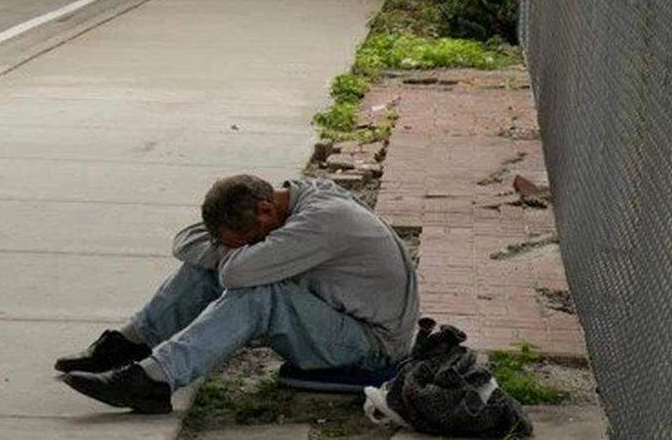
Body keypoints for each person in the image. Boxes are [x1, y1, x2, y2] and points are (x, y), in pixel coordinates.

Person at [55, 174, 420, 414]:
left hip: (370, 346)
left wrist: (234, 255)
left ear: (265, 209)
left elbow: (236, 272)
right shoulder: (285, 201)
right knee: (209, 267)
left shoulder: (323, 221)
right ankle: (131, 342)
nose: (243, 248)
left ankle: (154, 380)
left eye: (249, 240)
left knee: (259, 293)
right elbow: (186, 239)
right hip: (335, 319)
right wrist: (236, 249)